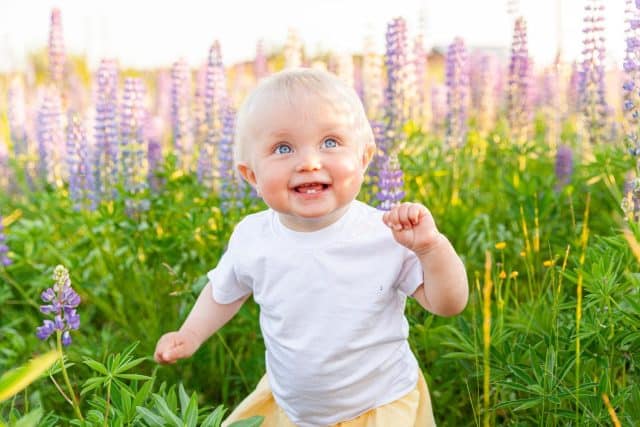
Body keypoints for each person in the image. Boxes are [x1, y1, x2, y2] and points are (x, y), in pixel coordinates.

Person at [154, 68, 469, 427]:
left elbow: (449, 304)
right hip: (293, 410)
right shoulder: (252, 236)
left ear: (365, 159)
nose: (308, 162)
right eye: (283, 148)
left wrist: (431, 248)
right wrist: (190, 334)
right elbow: (223, 292)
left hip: (378, 407)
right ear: (252, 176)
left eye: (330, 142)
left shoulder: (385, 233)